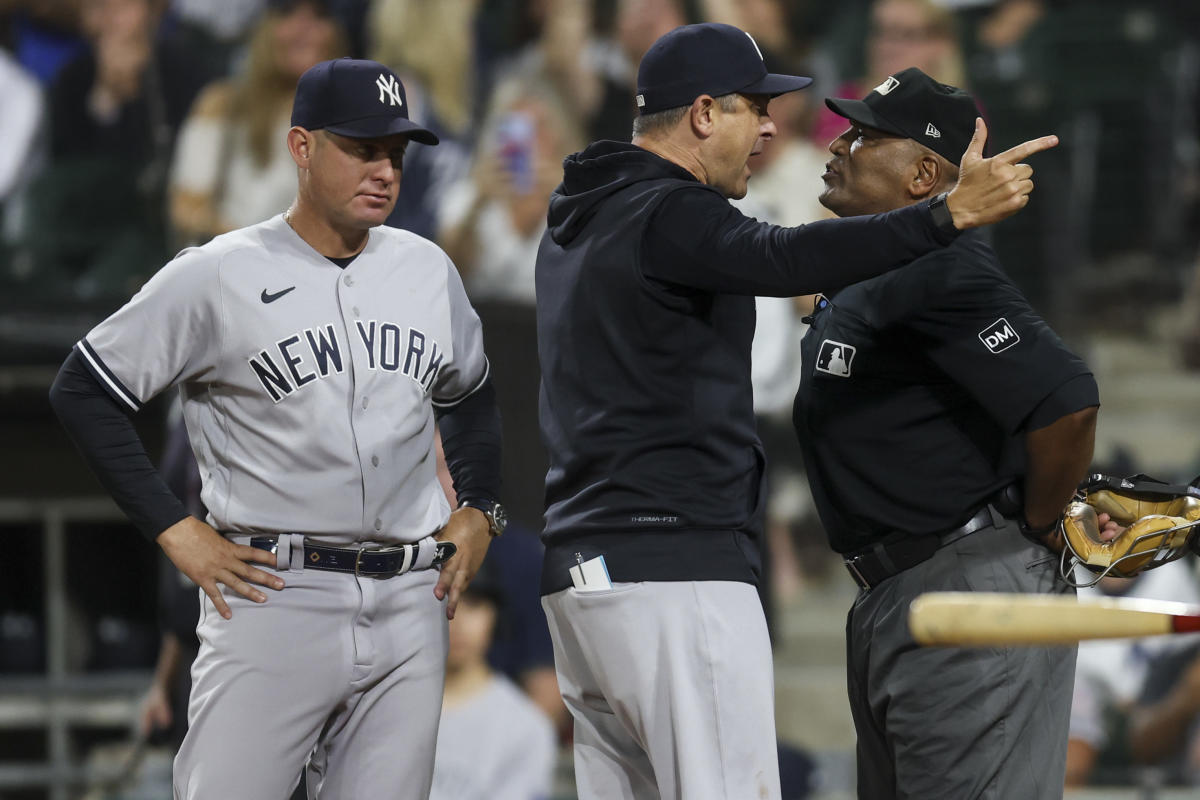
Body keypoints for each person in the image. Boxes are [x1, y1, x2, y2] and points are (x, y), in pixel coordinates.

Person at [534, 21, 1057, 800]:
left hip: (585, 577)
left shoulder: (582, 212)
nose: (772, 127)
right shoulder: (668, 209)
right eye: (754, 107)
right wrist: (946, 216)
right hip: (673, 570)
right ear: (704, 114)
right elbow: (781, 258)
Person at [48, 57, 505, 798]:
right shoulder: (220, 272)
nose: (385, 169)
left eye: (394, 152)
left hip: (409, 604)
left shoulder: (428, 270)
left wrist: (483, 505)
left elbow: (473, 393)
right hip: (273, 593)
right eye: (362, 148)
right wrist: (175, 529)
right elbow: (84, 388)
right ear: (302, 148)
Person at [792, 67, 1099, 798]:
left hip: (967, 584)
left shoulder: (938, 266)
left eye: (866, 136)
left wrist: (1041, 522)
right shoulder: (873, 268)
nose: (840, 144)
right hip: (900, 591)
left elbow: (1068, 399)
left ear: (924, 174)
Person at [429, 564, 558, 800]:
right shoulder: (391, 707)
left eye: (474, 604)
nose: (457, 619)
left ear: (495, 616)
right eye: (446, 603)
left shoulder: (526, 728)